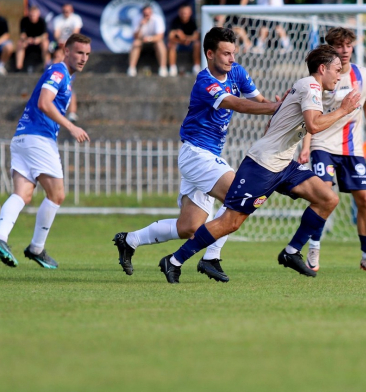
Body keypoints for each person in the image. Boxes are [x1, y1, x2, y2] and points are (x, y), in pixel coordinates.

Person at [157, 45, 361, 284]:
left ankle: (292, 251)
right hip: (262, 165)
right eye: (337, 70)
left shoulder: (309, 88)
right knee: (230, 222)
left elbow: (283, 124)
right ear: (322, 68)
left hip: (284, 164)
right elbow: (314, 125)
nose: (340, 75)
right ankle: (174, 261)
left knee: (328, 198)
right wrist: (343, 110)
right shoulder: (311, 86)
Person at [112, 27, 281, 280]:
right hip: (197, 154)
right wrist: (273, 109)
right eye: (226, 54)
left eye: (233, 53)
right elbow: (234, 103)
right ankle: (211, 258)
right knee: (240, 197)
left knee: (189, 226)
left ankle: (130, 240)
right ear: (210, 54)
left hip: (206, 157)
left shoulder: (237, 72)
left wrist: (277, 108)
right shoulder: (205, 82)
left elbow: (258, 100)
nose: (232, 59)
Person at [0, 34, 92, 269]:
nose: (83, 58)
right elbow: (45, 102)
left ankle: (0, 237)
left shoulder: (64, 76)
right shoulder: (59, 72)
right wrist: (71, 126)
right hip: (39, 139)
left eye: (86, 54)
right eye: (78, 53)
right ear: (66, 50)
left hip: (22, 138)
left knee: (22, 194)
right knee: (57, 195)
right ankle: (36, 247)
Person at [297, 27, 366, 273]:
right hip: (322, 143)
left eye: (348, 45)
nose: (344, 50)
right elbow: (310, 115)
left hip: (352, 147)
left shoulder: (362, 74)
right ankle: (314, 248)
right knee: (324, 195)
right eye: (338, 46)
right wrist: (305, 146)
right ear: (330, 49)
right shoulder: (321, 77)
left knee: (365, 200)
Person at [126, 4, 167, 77]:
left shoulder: (158, 19)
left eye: (149, 13)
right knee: (136, 43)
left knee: (160, 43)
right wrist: (140, 25)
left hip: (153, 41)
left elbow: (160, 36)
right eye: (145, 13)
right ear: (142, 13)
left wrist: (149, 39)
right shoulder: (137, 19)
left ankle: (163, 68)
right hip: (142, 41)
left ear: (152, 12)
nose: (147, 15)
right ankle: (131, 68)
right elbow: (135, 37)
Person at [167, 4, 201, 76]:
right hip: (178, 44)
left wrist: (184, 37)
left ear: (190, 13)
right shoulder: (175, 21)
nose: (184, 15)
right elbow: (171, 36)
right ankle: (172, 68)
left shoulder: (192, 22)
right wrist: (181, 40)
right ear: (179, 12)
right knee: (171, 45)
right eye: (183, 13)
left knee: (197, 44)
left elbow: (196, 36)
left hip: (189, 44)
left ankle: (196, 67)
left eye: (186, 13)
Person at [15, 5, 50, 72]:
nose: (32, 17)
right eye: (31, 15)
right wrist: (27, 40)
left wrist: (38, 39)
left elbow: (45, 35)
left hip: (38, 42)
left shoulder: (42, 21)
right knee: (20, 43)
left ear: (38, 14)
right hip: (27, 41)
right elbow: (22, 35)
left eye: (34, 15)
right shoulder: (24, 20)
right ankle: (19, 67)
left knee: (45, 43)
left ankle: (46, 66)